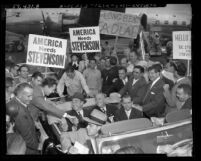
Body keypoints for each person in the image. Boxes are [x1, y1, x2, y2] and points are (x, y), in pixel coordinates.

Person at [6, 83, 40, 154]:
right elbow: (27, 138)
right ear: (20, 95)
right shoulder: (20, 113)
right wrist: (37, 146)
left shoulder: (14, 101)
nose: (31, 98)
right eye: (28, 96)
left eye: (32, 95)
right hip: (29, 148)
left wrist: (33, 122)